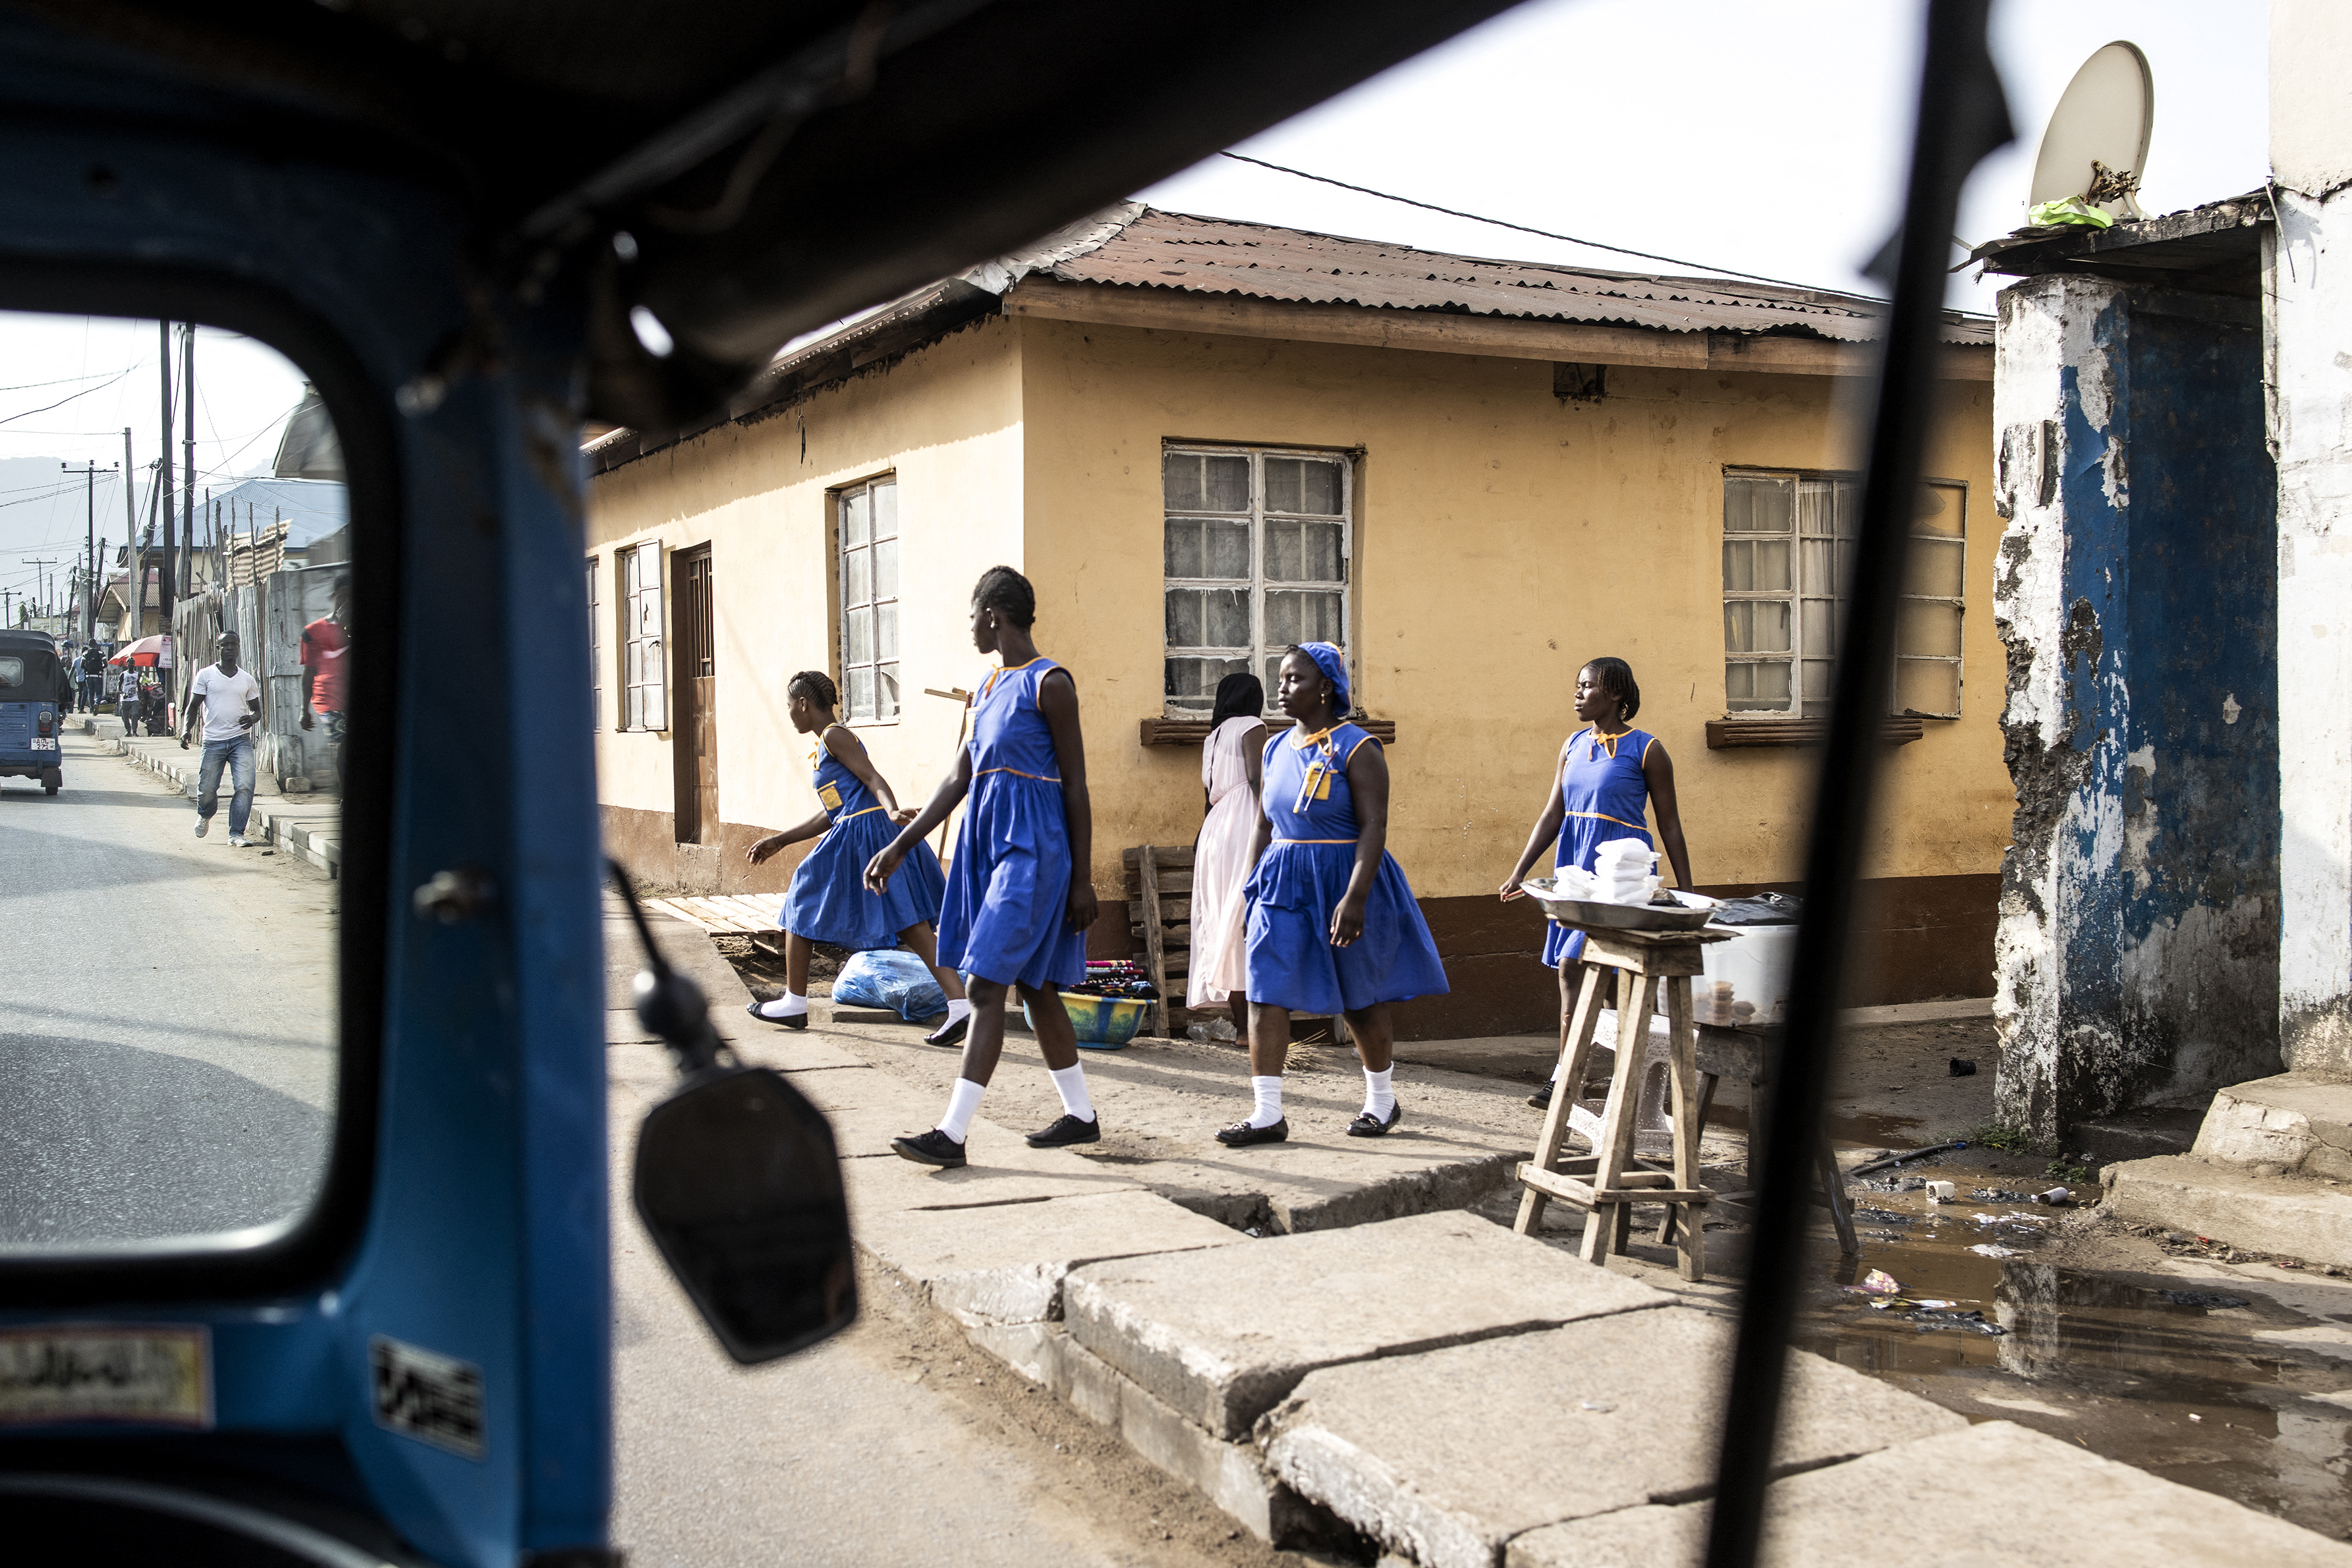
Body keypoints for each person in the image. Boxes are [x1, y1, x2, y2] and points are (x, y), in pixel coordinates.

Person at [865, 566, 1100, 1167]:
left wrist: (1083, 878)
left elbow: (1075, 786)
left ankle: (953, 1133)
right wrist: (902, 845)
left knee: (985, 983)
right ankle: (1081, 1117)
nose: (970, 626)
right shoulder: (991, 684)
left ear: (992, 614)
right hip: (988, 846)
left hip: (1034, 850)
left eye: (972, 615)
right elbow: (958, 777)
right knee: (1037, 986)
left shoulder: (1051, 684)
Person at [1218, 642, 1448, 1146]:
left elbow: (1374, 826)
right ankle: (1266, 1113)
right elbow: (1262, 824)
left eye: (1295, 679)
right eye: (1280, 678)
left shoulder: (1358, 748)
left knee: (1359, 998)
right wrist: (1251, 887)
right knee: (1265, 992)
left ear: (1326, 686)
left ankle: (1382, 1102)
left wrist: (1356, 897)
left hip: (1345, 878)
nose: (1282, 688)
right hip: (1283, 878)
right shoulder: (1276, 748)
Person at [1498, 657, 1694, 1111]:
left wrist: (1684, 891)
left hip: (1621, 874)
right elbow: (1553, 815)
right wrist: (1520, 871)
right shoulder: (1572, 745)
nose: (1578, 694)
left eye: (1587, 687)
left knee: (1619, 979)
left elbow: (1671, 825)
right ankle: (1567, 1077)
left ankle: (1642, 1086)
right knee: (1573, 969)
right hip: (1576, 869)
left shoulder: (1647, 750)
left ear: (1617, 695)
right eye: (1577, 685)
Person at [744, 669, 971, 1042]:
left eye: (789, 706)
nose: (788, 714)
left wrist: (894, 810)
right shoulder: (824, 746)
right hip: (857, 827)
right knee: (908, 919)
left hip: (866, 832)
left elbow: (873, 778)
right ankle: (959, 1006)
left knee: (803, 897)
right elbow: (833, 811)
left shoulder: (834, 736)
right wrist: (782, 840)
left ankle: (794, 1002)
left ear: (803, 704)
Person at [1185, 672, 1266, 1036]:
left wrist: (1203, 836)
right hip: (1244, 820)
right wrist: (1278, 823)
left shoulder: (1213, 737)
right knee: (1247, 917)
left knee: (1224, 922)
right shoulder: (1252, 725)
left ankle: (1245, 1031)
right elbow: (1256, 779)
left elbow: (1208, 796)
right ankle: (1259, 1028)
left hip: (1215, 831)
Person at [181, 630, 262, 847]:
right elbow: (193, 706)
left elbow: (257, 710)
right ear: (218, 648)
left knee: (245, 786)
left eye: (233, 644)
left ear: (238, 648)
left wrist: (252, 719)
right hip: (213, 741)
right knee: (207, 788)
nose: (229, 648)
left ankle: (236, 833)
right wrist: (185, 730)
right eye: (225, 645)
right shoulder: (205, 675)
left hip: (240, 740)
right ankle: (205, 814)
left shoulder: (247, 679)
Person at [299, 576, 349, 777]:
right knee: (345, 745)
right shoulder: (312, 632)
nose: (347, 602)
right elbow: (309, 671)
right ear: (333, 597)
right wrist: (304, 710)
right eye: (343, 596)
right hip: (329, 699)